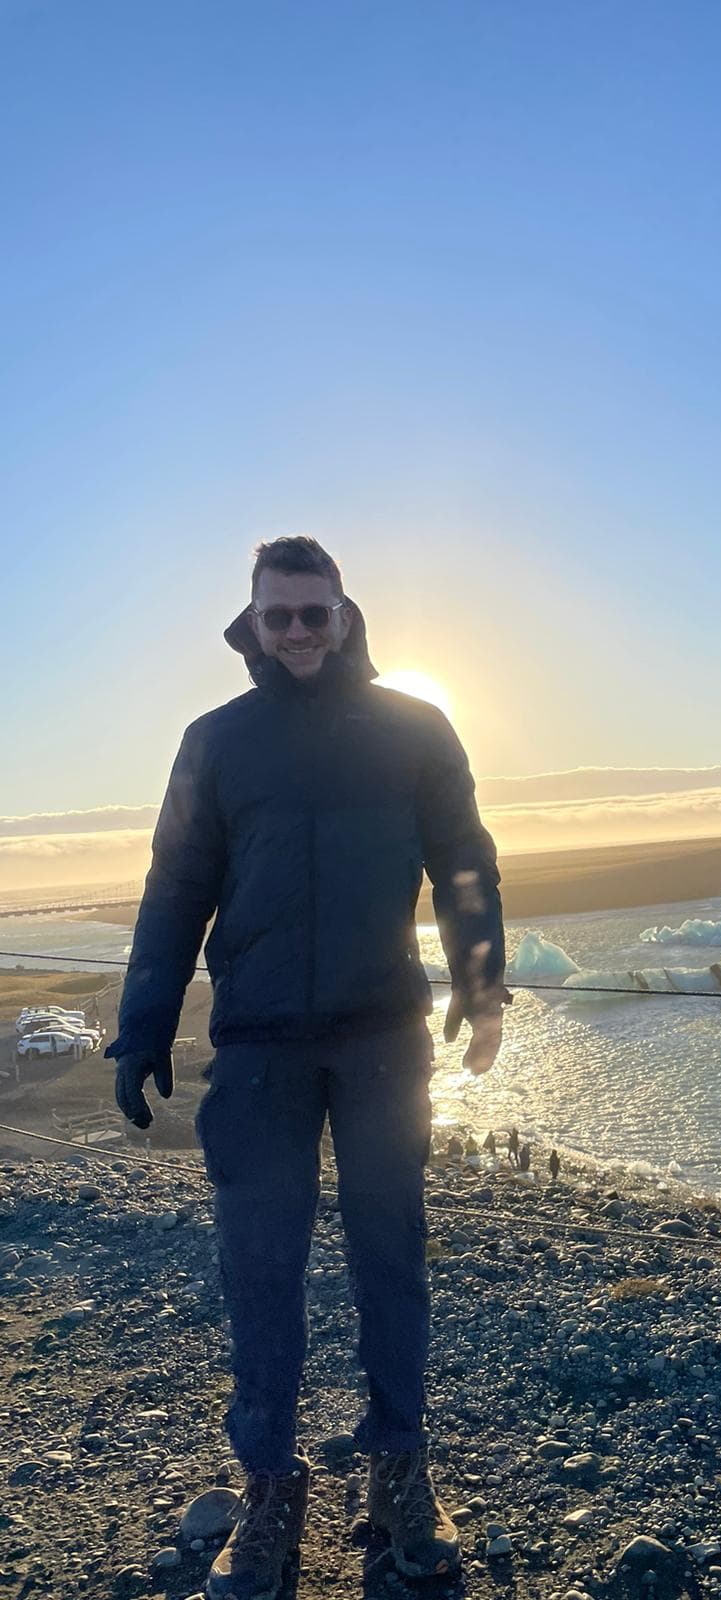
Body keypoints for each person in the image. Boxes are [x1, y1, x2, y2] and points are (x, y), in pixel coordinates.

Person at [107, 536, 507, 1600]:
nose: (296, 632)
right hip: (259, 1045)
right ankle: (272, 1492)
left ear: (344, 613)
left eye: (312, 614)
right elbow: (173, 889)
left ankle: (399, 1471)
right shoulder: (218, 743)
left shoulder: (415, 729)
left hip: (384, 1038)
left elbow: (465, 859)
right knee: (261, 1273)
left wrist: (481, 981)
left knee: (392, 1261)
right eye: (277, 616)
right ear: (252, 622)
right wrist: (141, 1023)